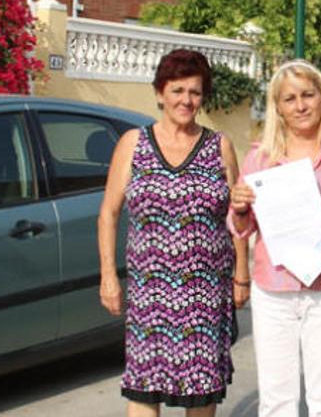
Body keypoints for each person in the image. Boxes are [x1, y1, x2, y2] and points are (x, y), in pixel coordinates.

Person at [227, 59, 321, 417]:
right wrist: (238, 207)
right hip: (274, 293)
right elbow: (241, 228)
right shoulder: (260, 158)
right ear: (277, 108)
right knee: (276, 402)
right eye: (289, 99)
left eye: (308, 95)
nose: (300, 106)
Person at [98, 49, 246, 417]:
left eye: (195, 92)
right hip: (151, 294)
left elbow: (239, 216)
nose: (186, 100)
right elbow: (108, 214)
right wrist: (108, 277)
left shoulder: (220, 147)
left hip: (205, 293)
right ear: (161, 92)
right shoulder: (134, 144)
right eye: (178, 90)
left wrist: (242, 274)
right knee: (145, 389)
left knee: (201, 391)